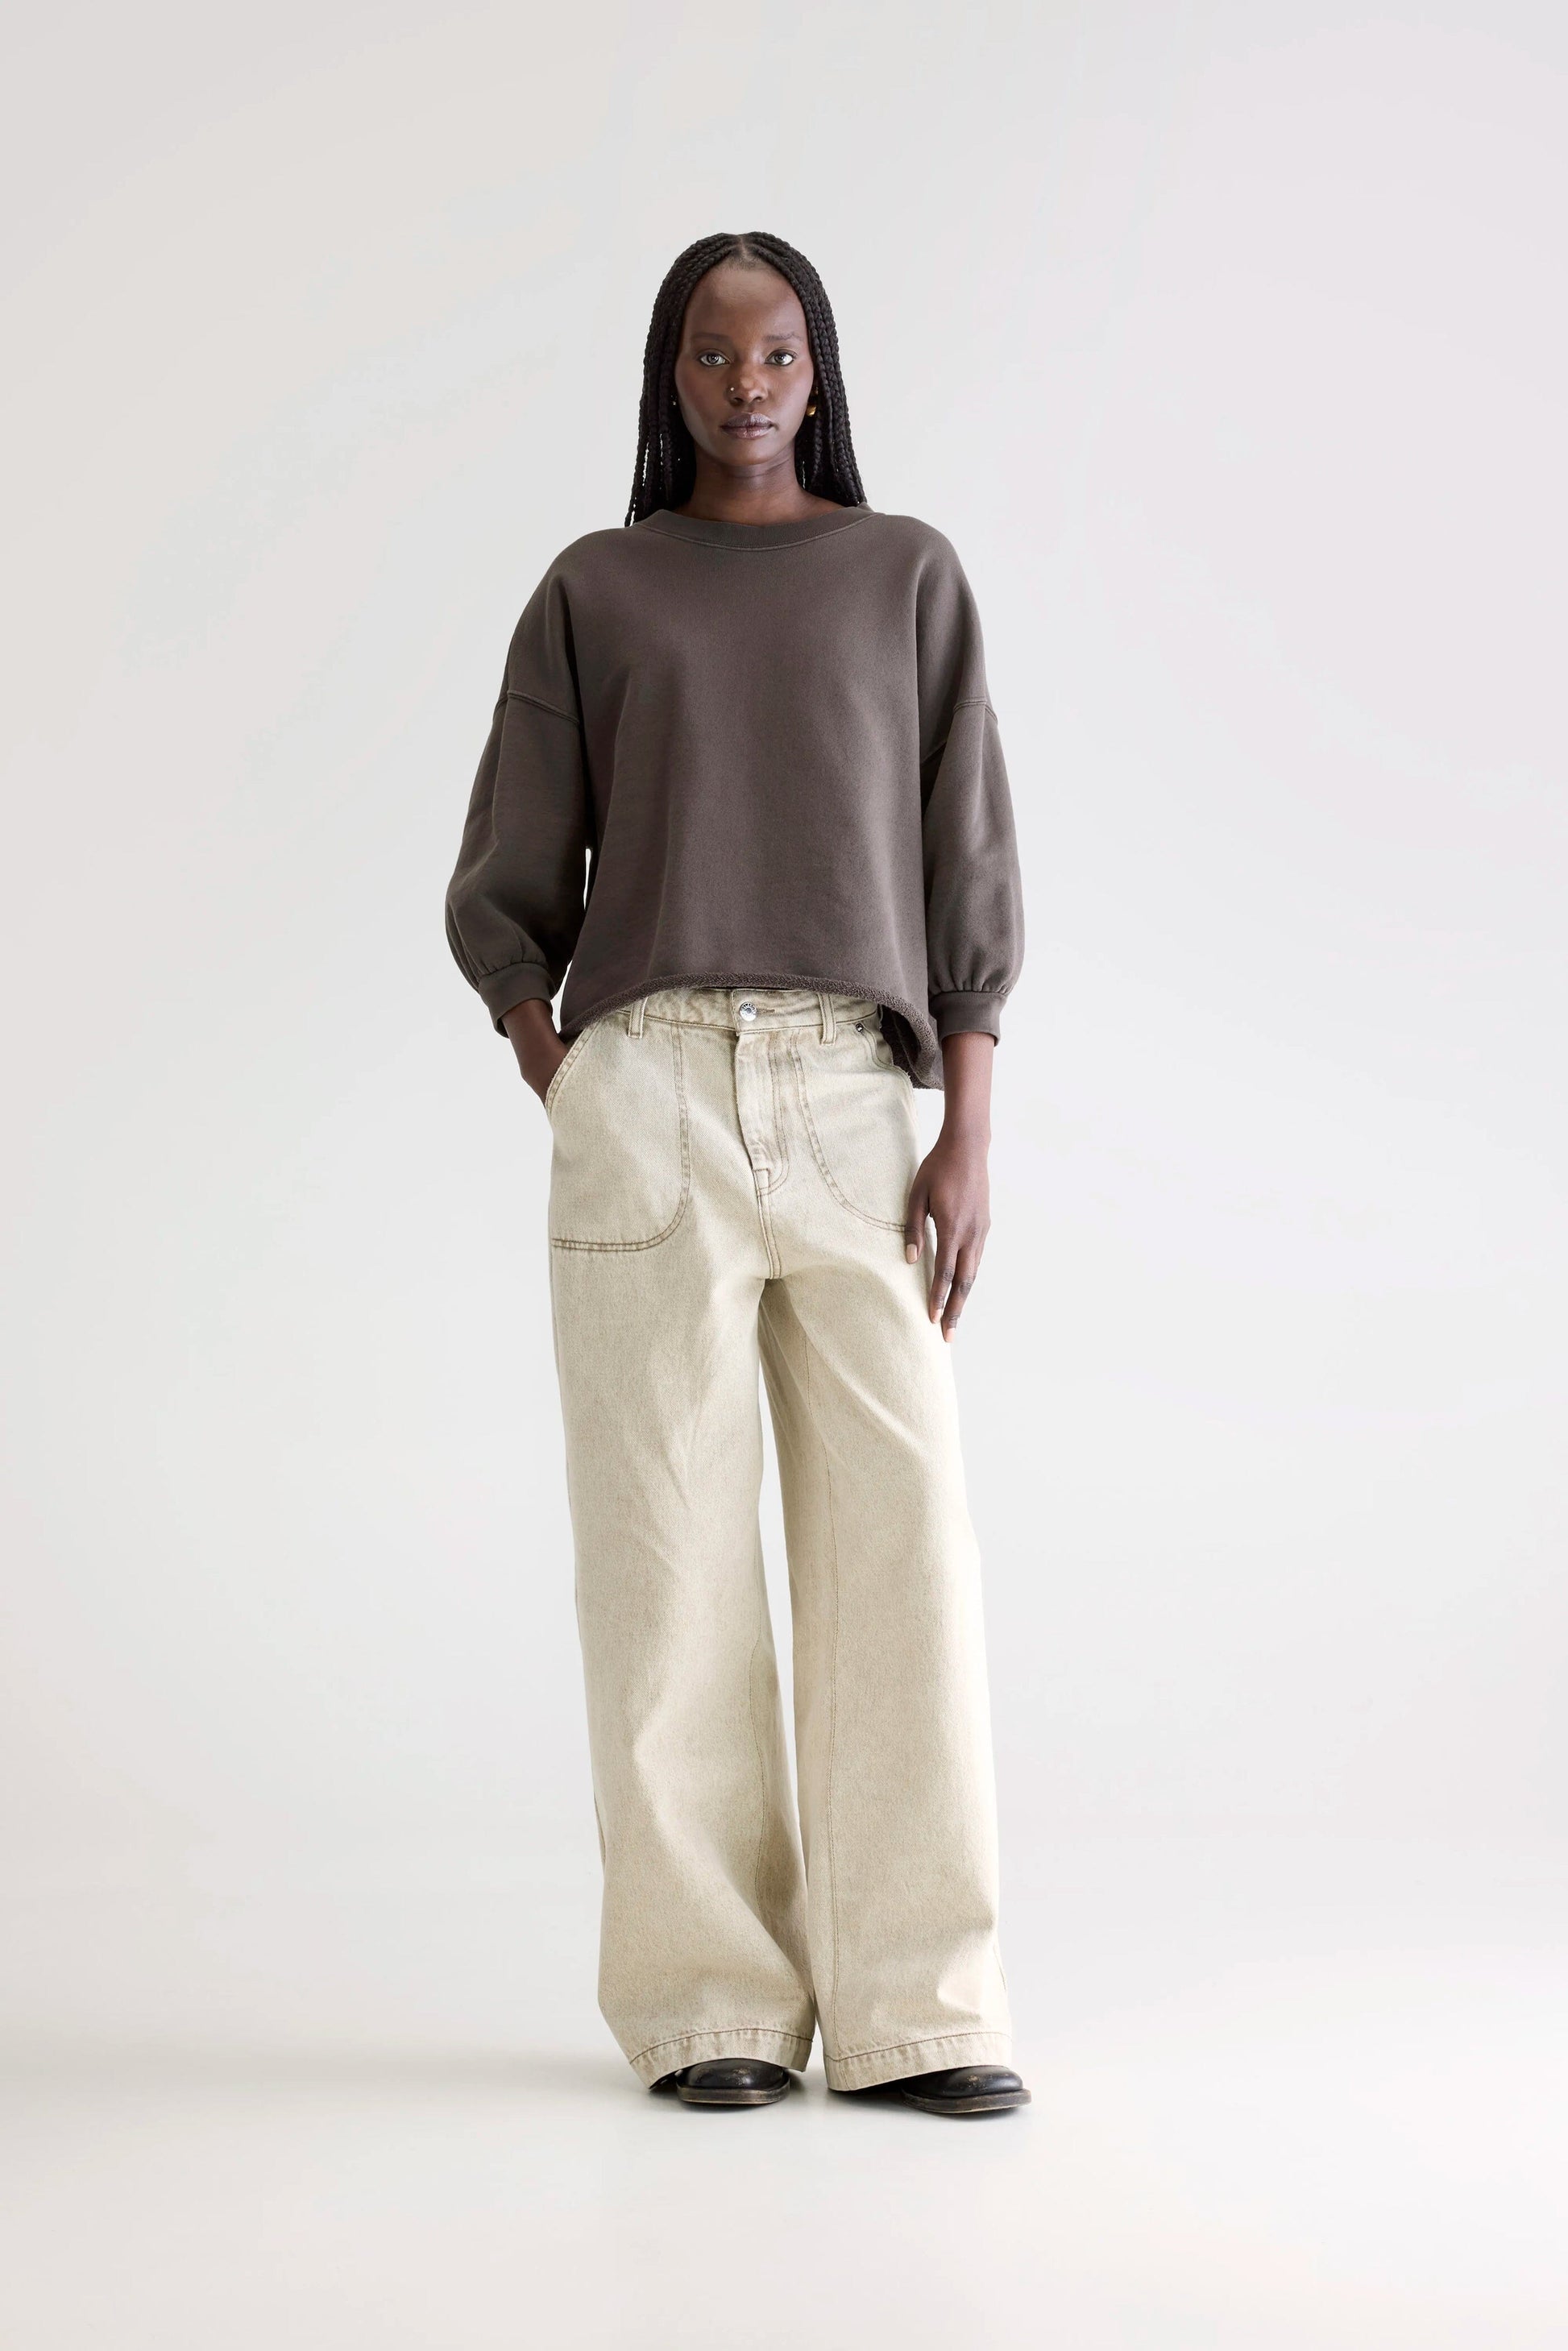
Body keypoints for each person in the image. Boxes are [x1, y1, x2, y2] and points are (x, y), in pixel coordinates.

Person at [446, 231, 1027, 2118]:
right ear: (669, 375)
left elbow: (964, 859)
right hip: (652, 1089)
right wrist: (562, 1063)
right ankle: (709, 2000)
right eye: (712, 352)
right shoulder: (598, 587)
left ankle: (920, 2009)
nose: (747, 381)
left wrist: (967, 1121)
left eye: (776, 351)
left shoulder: (904, 573)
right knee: (667, 1554)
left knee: (902, 1549)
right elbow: (510, 865)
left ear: (819, 367)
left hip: (857, 1100)